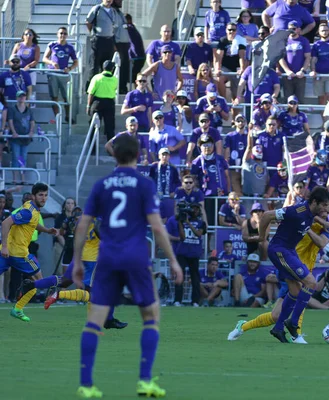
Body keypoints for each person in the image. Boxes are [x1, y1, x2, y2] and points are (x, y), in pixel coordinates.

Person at [71, 134, 182, 398]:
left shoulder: (102, 185)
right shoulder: (144, 184)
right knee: (151, 317)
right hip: (135, 257)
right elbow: (156, 226)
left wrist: (76, 261)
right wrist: (173, 260)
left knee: (94, 322)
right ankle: (144, 380)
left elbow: (83, 225)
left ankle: (86, 385)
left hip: (107, 257)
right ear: (139, 155)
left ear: (114, 154)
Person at [228, 214, 329, 344]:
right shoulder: (300, 218)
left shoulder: (326, 227)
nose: (325, 211)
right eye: (324, 207)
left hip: (305, 270)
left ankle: (243, 326)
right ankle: (296, 335)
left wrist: (310, 228)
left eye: (328, 208)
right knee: (302, 294)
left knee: (275, 316)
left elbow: (321, 243)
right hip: (289, 266)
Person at [258, 186, 329, 343]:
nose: (327, 208)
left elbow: (322, 224)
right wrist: (261, 238)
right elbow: (266, 215)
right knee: (311, 282)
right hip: (279, 250)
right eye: (324, 205)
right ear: (314, 202)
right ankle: (292, 323)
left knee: (295, 291)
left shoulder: (311, 214)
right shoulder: (296, 211)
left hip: (289, 250)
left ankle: (278, 328)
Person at [0, 182, 58, 321]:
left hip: (9, 252)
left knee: (37, 280)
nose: (43, 198)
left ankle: (18, 307)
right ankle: (18, 308)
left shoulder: (31, 208)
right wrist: (5, 246)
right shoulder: (28, 211)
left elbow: (32, 223)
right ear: (33, 196)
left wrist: (46, 230)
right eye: (40, 195)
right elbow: (6, 223)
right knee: (39, 280)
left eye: (45, 195)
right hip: (19, 254)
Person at [166, 202, 206, 307]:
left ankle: (195, 301)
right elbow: (182, 237)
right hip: (182, 252)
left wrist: (188, 223)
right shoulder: (182, 220)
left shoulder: (201, 223)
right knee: (180, 276)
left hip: (194, 253)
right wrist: (180, 222)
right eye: (193, 209)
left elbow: (198, 234)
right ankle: (177, 300)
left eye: (197, 209)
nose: (195, 211)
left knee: (195, 279)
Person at [43, 27, 78, 118]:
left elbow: (76, 62)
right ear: (57, 34)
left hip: (64, 75)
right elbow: (44, 58)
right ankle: (57, 117)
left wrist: (69, 68)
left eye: (65, 33)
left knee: (67, 97)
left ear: (67, 35)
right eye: (61, 33)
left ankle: (67, 116)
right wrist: (52, 63)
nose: (63, 35)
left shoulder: (70, 47)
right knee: (54, 97)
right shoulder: (52, 45)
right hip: (53, 74)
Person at [279, 21, 311, 104]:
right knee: (287, 98)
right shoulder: (283, 40)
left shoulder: (304, 41)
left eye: (293, 28)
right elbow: (280, 58)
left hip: (300, 75)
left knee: (300, 99)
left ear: (298, 29)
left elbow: (307, 57)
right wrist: (287, 71)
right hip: (287, 75)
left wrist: (303, 70)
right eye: (289, 28)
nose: (291, 30)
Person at [8, 91, 35, 184]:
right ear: (17, 98)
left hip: (25, 138)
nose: (22, 98)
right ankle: (15, 179)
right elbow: (10, 121)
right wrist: (14, 132)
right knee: (15, 157)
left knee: (23, 157)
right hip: (16, 138)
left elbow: (32, 122)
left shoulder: (29, 110)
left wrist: (31, 131)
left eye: (23, 96)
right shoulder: (12, 109)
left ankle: (23, 179)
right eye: (20, 96)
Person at [87, 60, 118, 140]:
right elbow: (114, 89)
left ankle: (93, 149)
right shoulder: (115, 79)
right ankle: (111, 147)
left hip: (97, 103)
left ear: (103, 68)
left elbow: (91, 93)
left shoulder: (96, 77)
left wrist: (88, 106)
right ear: (112, 69)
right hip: (110, 103)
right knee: (110, 127)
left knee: (94, 125)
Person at [86, 0, 117, 77]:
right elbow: (88, 22)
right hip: (98, 40)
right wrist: (92, 34)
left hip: (109, 40)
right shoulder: (97, 9)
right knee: (94, 65)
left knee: (108, 65)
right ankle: (91, 85)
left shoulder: (113, 11)